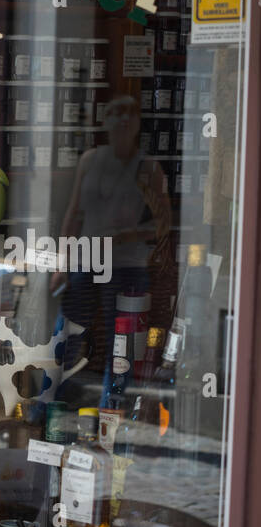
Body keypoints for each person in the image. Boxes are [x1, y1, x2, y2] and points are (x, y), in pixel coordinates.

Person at [59, 94, 173, 378]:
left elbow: (164, 222)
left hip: (126, 265)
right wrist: (62, 263)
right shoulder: (89, 160)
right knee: (68, 332)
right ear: (105, 120)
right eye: (117, 112)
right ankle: (49, 399)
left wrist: (127, 235)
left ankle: (112, 403)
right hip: (86, 259)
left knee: (119, 343)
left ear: (137, 123)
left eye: (131, 113)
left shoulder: (148, 167)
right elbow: (74, 214)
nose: (124, 118)